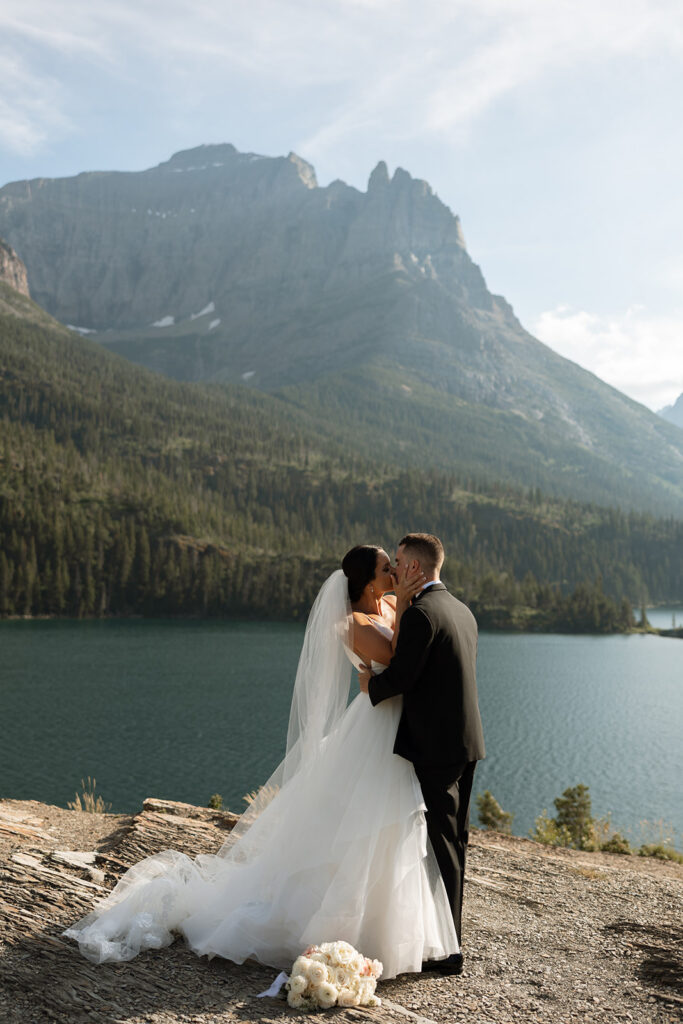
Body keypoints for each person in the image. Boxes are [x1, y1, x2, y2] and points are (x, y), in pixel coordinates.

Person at [62, 545, 459, 980]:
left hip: (390, 723)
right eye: (388, 569)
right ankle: (337, 924)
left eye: (396, 567)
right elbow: (399, 659)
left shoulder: (386, 604)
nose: (396, 572)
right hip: (375, 727)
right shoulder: (353, 622)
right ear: (368, 582)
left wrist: (400, 602)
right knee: (362, 823)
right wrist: (404, 601)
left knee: (390, 826)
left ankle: (391, 926)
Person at [359, 533, 485, 977]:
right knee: (456, 842)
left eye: (398, 561)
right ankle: (448, 939)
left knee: (440, 844)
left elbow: (401, 677)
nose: (394, 568)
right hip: (466, 743)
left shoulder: (420, 616)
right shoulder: (460, 610)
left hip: (435, 747)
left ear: (414, 568)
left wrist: (369, 687)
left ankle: (449, 952)